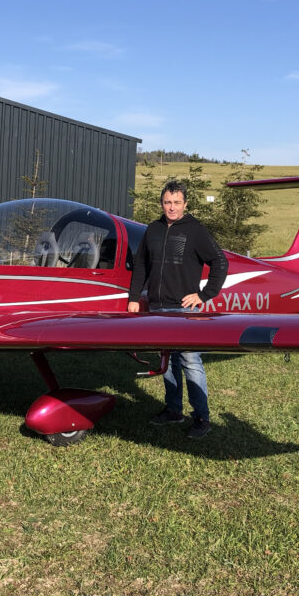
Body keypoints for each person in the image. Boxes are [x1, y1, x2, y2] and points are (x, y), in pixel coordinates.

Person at [127, 180, 228, 439]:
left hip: (183, 310)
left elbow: (219, 261)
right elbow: (141, 266)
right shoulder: (153, 229)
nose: (172, 207)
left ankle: (202, 418)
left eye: (176, 203)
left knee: (190, 361)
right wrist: (134, 297)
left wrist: (204, 295)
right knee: (168, 361)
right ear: (162, 203)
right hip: (158, 308)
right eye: (167, 202)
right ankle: (173, 410)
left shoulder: (195, 231)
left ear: (185, 204)